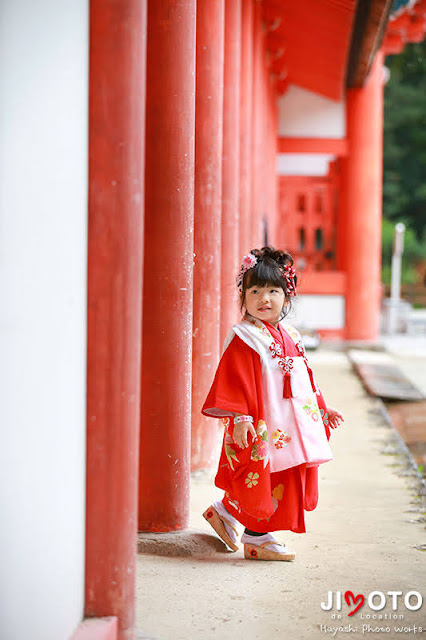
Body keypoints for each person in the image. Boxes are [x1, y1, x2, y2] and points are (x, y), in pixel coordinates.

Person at [201, 246, 344, 561]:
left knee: (281, 475)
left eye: (272, 291)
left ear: (286, 296)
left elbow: (304, 378)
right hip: (261, 423)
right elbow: (234, 380)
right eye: (254, 291)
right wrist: (240, 419)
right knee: (260, 474)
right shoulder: (245, 337)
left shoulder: (291, 334)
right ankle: (256, 537)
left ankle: (226, 512)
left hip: (290, 423)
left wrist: (322, 408)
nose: (263, 298)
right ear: (244, 297)